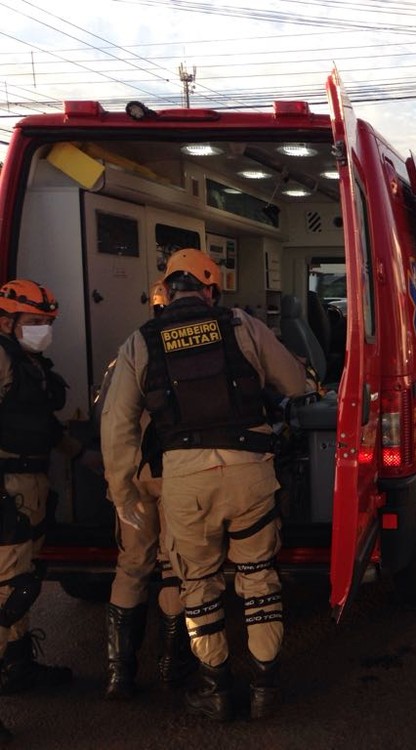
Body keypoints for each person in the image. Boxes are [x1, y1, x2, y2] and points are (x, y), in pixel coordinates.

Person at [101, 249, 308, 722]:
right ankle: (264, 687)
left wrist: (123, 491)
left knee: (197, 582)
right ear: (211, 289)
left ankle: (214, 690)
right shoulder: (242, 325)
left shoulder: (142, 340)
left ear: (166, 291)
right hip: (249, 469)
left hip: (183, 477)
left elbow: (117, 423)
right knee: (257, 577)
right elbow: (295, 383)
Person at [99, 278, 195, 701]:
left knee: (132, 565)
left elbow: (114, 423)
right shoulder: (202, 346)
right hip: (179, 474)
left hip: (137, 477)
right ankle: (173, 666)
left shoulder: (131, 351)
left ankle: (120, 675)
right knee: (174, 567)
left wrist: (119, 490)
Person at [0, 279, 74, 738]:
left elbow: (41, 425)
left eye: (47, 323)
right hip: (7, 486)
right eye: (33, 323)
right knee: (7, 591)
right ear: (7, 322)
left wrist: (84, 457)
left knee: (23, 584)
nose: (42, 330)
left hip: (32, 481)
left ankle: (17, 666)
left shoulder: (29, 364)